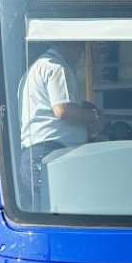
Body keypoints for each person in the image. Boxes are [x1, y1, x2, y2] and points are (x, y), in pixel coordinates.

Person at [18, 41, 105, 195]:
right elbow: (63, 111)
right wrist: (94, 116)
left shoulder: (36, 67)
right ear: (74, 47)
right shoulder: (56, 66)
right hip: (50, 154)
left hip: (37, 154)